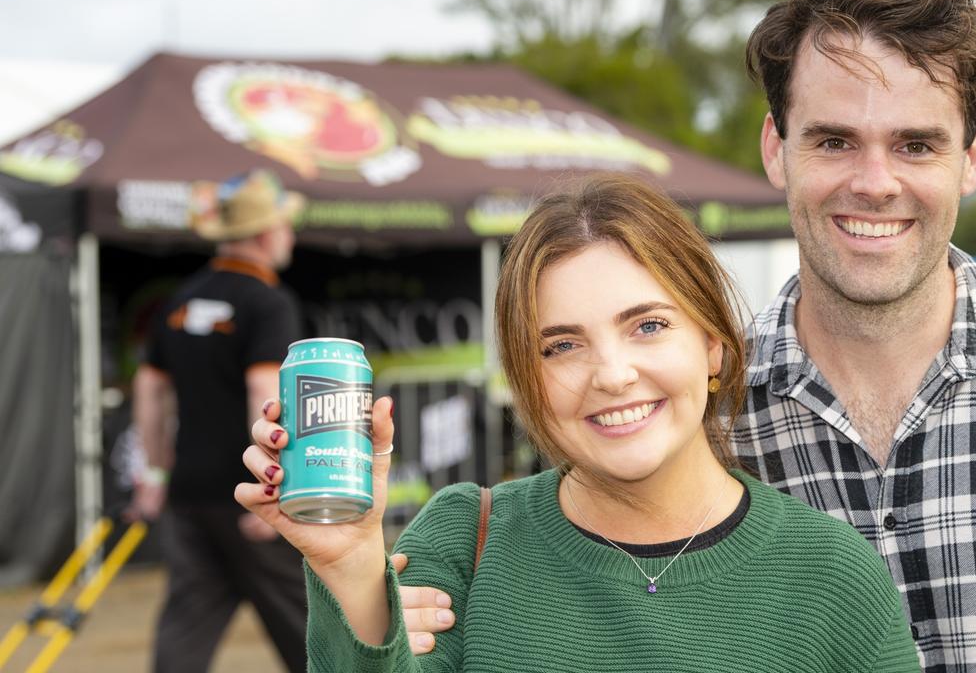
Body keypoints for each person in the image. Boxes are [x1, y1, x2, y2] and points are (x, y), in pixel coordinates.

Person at [402, 0, 976, 668]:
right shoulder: (688, 407)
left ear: (970, 158)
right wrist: (387, 598)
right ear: (775, 148)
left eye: (916, 144)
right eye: (833, 140)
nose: (874, 182)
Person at [236, 174, 921, 672]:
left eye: (648, 326)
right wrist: (353, 567)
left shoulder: (832, 575)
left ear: (713, 343)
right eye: (561, 345)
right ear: (526, 377)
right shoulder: (463, 542)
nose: (611, 373)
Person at [130, 169, 307, 672]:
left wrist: (156, 473)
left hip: (189, 492)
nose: (289, 236)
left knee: (186, 628)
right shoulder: (268, 301)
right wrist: (269, 486)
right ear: (265, 233)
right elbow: (264, 391)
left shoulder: (180, 300)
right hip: (249, 495)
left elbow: (150, 392)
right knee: (312, 625)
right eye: (285, 225)